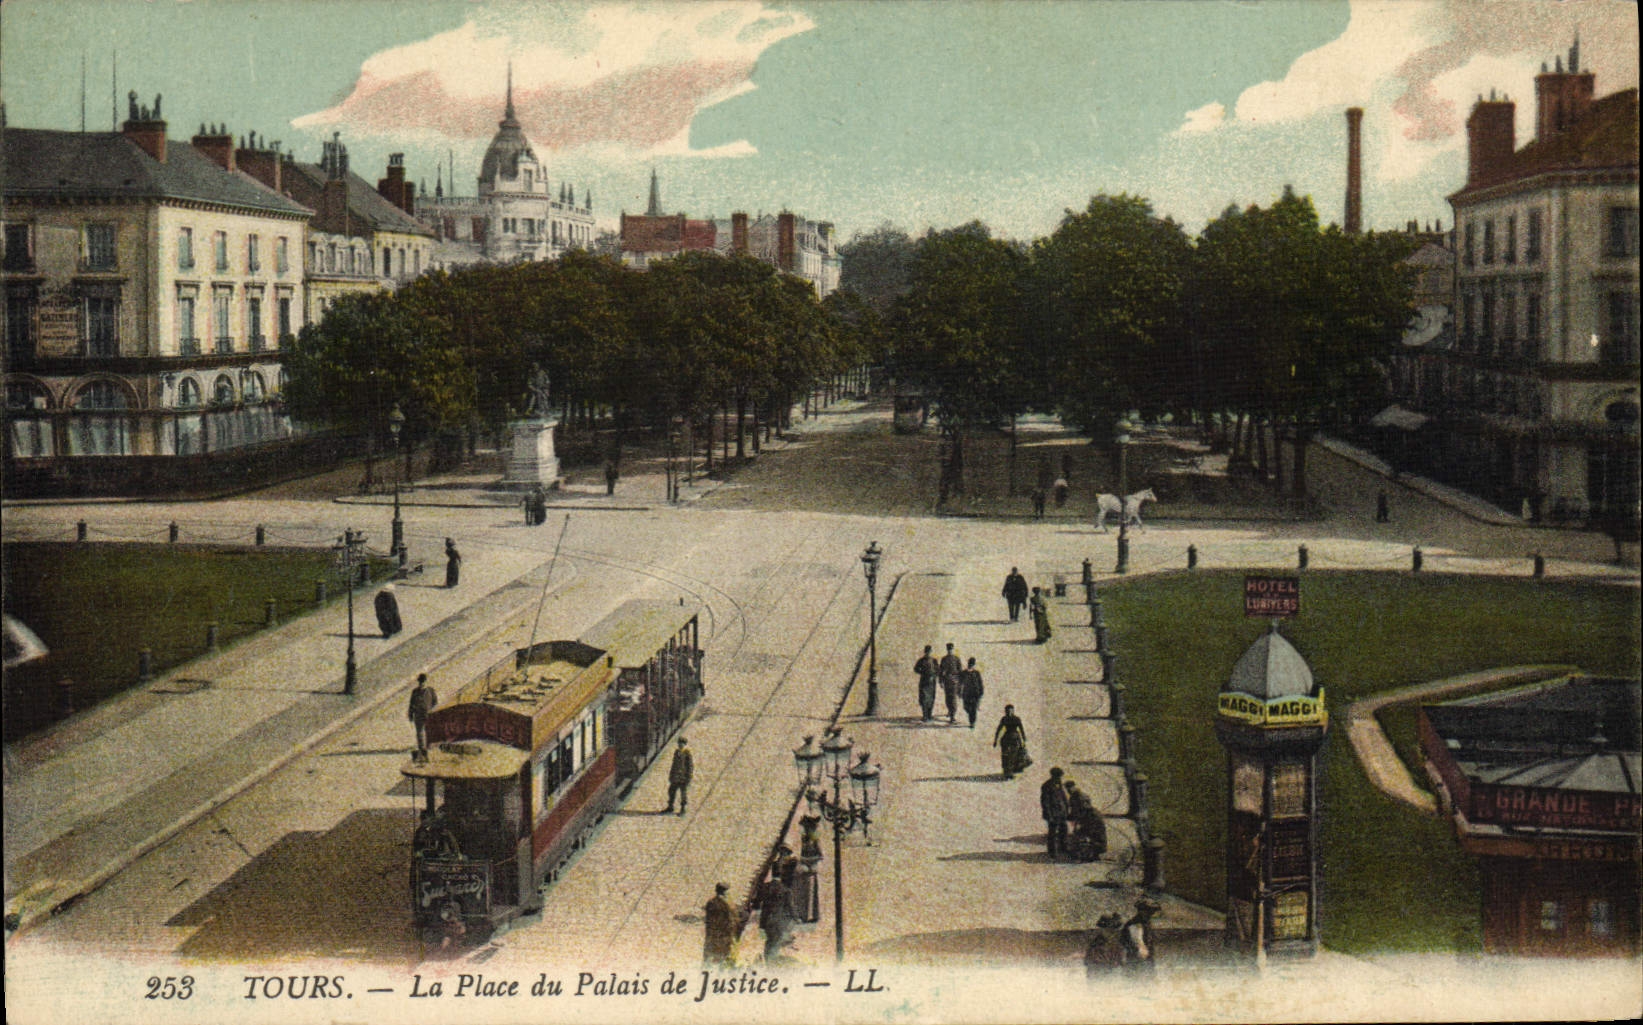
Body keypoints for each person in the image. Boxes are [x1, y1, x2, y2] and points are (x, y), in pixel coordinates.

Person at [1065, 779, 1107, 862]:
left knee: (1085, 836)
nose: (1069, 790)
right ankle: (1088, 853)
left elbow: (1080, 811)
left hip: (1093, 825)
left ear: (1074, 787)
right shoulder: (1074, 796)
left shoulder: (1080, 798)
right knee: (1080, 835)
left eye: (1070, 788)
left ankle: (1090, 855)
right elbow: (1076, 812)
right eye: (1067, 789)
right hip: (1087, 820)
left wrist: (1074, 818)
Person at [757, 870, 793, 961]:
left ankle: (767, 959)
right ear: (781, 876)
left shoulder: (765, 887)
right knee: (776, 941)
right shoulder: (785, 889)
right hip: (778, 921)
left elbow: (757, 903)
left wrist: (761, 925)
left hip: (766, 920)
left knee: (769, 941)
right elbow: (790, 907)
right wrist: (796, 917)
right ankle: (772, 962)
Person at [1121, 899, 1161, 978]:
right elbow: (1134, 943)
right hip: (1137, 962)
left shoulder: (1146, 923)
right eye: (1149, 911)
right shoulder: (1134, 924)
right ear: (1141, 911)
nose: (1150, 914)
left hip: (1146, 962)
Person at [1084, 913, 1128, 978]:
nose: (1112, 932)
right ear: (1102, 929)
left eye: (1114, 929)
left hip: (1114, 976)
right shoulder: (1095, 944)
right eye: (1108, 929)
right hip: (1100, 976)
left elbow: (1122, 962)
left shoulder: (1118, 944)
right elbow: (1090, 963)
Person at [992, 704, 1030, 779]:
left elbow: (1021, 729)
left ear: (1013, 711)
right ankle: (1008, 772)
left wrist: (1024, 739)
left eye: (1010, 711)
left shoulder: (1014, 719)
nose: (1009, 712)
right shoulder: (1006, 719)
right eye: (1007, 711)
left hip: (1013, 739)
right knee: (1007, 756)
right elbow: (999, 729)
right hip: (1009, 739)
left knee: (1012, 756)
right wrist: (995, 740)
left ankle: (1010, 772)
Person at [703, 882, 735, 966]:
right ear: (724, 892)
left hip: (711, 936)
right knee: (720, 960)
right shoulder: (725, 904)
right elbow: (728, 921)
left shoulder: (711, 902)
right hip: (721, 937)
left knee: (709, 959)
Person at [1040, 767, 1069, 859]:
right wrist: (1049, 815)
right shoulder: (1046, 786)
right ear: (1053, 776)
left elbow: (1063, 797)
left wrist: (1066, 808)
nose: (1060, 778)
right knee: (1052, 833)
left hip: (1061, 812)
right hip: (1053, 813)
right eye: (1058, 776)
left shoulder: (1059, 784)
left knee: (1063, 830)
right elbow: (1045, 802)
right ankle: (1052, 852)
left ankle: (1063, 847)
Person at [408, 672, 438, 752]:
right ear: (419, 682)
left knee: (429, 730)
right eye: (421, 682)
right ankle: (421, 748)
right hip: (418, 715)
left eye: (423, 682)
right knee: (419, 732)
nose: (422, 684)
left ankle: (429, 745)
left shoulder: (430, 691)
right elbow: (411, 704)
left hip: (428, 714)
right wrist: (410, 714)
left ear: (426, 682)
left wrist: (431, 710)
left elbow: (435, 702)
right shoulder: (415, 692)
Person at [665, 736, 694, 815]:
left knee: (683, 793)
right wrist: (671, 775)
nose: (680, 745)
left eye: (682, 744)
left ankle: (683, 809)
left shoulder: (687, 753)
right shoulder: (677, 752)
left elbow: (690, 766)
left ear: (685, 744)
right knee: (671, 791)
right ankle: (670, 806)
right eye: (679, 743)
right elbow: (673, 765)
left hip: (683, 778)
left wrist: (689, 777)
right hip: (675, 777)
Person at [913, 645, 939, 721]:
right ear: (925, 652)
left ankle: (929, 715)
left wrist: (933, 675)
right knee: (924, 698)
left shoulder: (934, 660)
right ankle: (925, 716)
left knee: (931, 699)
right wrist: (923, 673)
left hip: (932, 682)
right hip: (924, 681)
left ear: (931, 652)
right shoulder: (921, 660)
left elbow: (938, 670)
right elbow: (916, 669)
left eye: (929, 652)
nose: (928, 653)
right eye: (927, 652)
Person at [939, 642, 962, 723]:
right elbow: (941, 671)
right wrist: (941, 681)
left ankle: (953, 716)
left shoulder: (957, 659)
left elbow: (960, 671)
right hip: (947, 681)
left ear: (953, 649)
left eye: (951, 649)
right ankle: (950, 710)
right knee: (948, 698)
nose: (950, 651)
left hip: (955, 681)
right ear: (947, 650)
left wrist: (960, 681)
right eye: (949, 650)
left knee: (953, 699)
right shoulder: (944, 659)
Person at [958, 657, 985, 728]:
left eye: (972, 664)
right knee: (966, 707)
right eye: (970, 664)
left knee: (973, 708)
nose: (971, 665)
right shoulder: (963, 673)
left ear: (974, 665)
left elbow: (980, 683)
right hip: (966, 693)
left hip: (975, 693)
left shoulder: (977, 673)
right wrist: (959, 692)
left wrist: (981, 692)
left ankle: (972, 722)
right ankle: (971, 715)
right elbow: (960, 683)